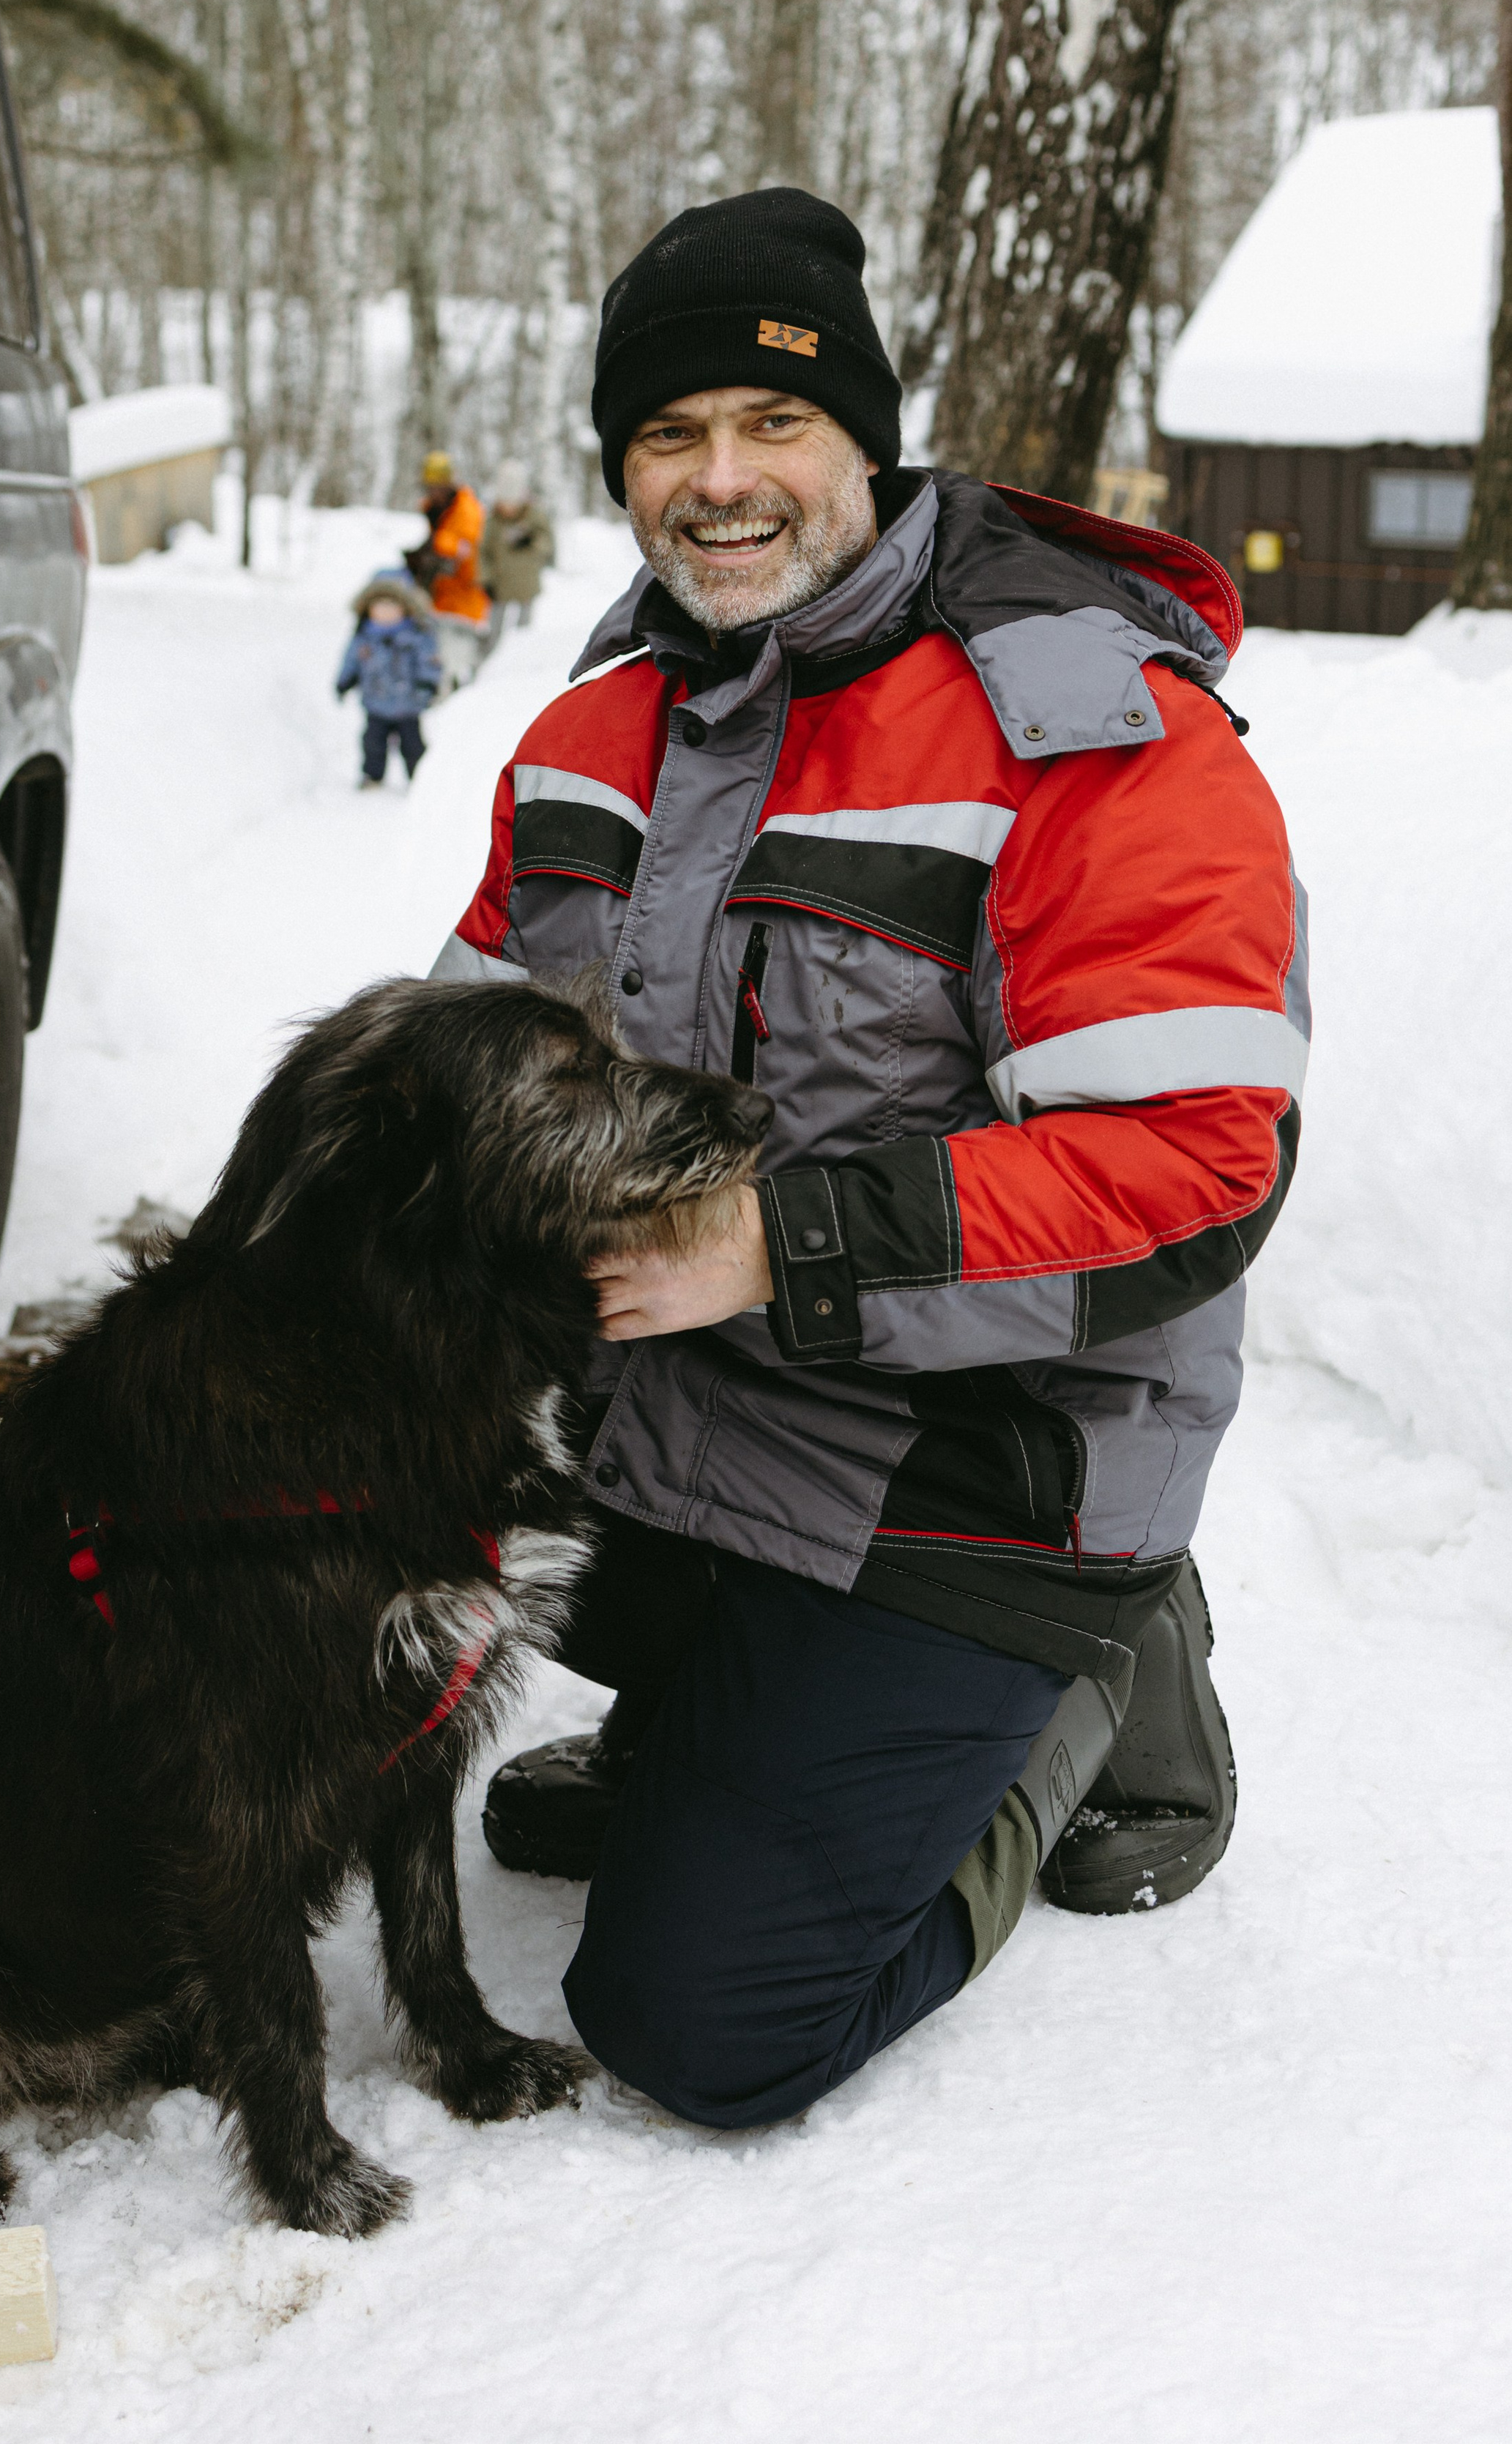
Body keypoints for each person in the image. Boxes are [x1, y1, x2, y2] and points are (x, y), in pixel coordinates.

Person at [432, 187, 1304, 2131]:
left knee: (702, 2020)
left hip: (986, 1445)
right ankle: (737, 1729)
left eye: (774, 424)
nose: (718, 480)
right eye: (668, 435)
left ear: (870, 440)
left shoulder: (1080, 724)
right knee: (346, 1515)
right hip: (693, 1403)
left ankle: (1077, 1695)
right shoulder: (598, 722)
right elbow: (461, 1057)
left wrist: (772, 1244)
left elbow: (1195, 1171)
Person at [335, 571, 440, 788]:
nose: (385, 612)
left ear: (404, 608)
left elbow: (429, 662)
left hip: (408, 705)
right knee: (373, 744)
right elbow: (352, 661)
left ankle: (419, 779)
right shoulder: (364, 637)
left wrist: (428, 683)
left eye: (391, 606)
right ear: (368, 609)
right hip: (376, 704)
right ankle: (373, 775)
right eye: (379, 607)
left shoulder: (417, 636)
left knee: (413, 746)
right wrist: (345, 681)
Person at [409, 450, 488, 623]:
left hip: (464, 602)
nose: (434, 493)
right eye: (430, 488)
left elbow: (466, 550)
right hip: (442, 599)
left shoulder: (467, 509)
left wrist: (436, 544)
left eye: (439, 487)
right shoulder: (438, 510)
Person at [482, 460, 555, 634]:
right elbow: (484, 552)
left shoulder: (535, 516)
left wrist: (531, 541)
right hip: (500, 586)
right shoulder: (492, 521)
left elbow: (548, 544)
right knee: (495, 632)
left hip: (526, 586)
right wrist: (485, 580)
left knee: (523, 634)